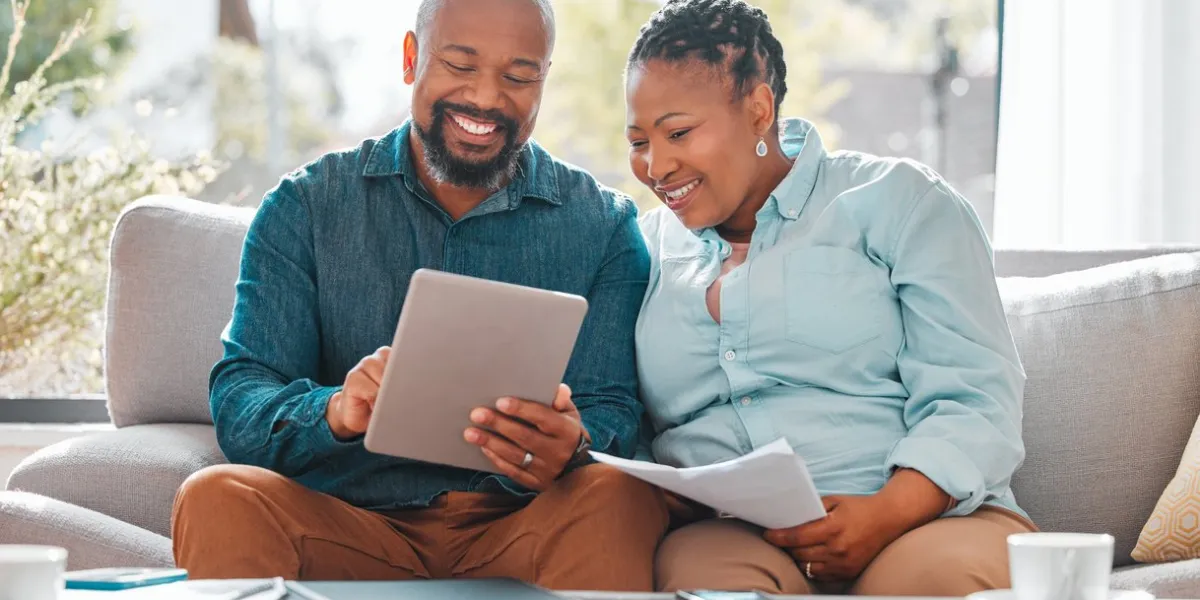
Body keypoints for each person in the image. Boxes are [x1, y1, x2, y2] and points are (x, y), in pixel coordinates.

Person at [171, 0, 668, 590]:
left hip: (523, 524)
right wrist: (334, 411)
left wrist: (575, 443)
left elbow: (613, 408)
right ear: (412, 59)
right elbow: (243, 395)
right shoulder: (305, 206)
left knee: (620, 492)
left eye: (518, 76)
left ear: (543, 80)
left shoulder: (603, 225)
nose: (485, 98)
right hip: (348, 520)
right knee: (217, 496)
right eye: (460, 65)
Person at [624, 0, 1037, 596]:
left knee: (927, 584)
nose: (656, 165)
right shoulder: (642, 247)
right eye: (639, 141)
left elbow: (978, 396)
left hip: (925, 519)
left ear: (758, 109)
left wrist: (885, 513)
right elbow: (628, 420)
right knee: (709, 587)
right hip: (733, 532)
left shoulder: (899, 201)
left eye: (679, 133)